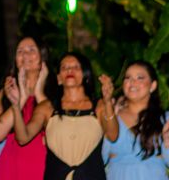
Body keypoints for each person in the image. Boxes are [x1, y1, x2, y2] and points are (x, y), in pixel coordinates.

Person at [8, 51, 118, 179]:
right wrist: (15, 106)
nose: (69, 70)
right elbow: (23, 138)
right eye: (64, 67)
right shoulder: (47, 107)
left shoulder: (99, 106)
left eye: (75, 67)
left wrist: (108, 102)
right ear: (59, 78)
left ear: (85, 74)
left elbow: (113, 135)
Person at [103, 60, 169, 179]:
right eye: (128, 78)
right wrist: (110, 118)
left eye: (140, 78)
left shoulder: (168, 119)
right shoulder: (111, 116)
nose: (132, 82)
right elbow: (100, 158)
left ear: (153, 86)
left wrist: (168, 140)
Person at [0, 36, 49, 180]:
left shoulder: (55, 93)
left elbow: (56, 129)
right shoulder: (7, 92)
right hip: (10, 168)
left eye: (31, 50)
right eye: (20, 51)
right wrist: (21, 98)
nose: (25, 54)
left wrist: (39, 93)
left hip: (41, 167)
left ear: (42, 57)